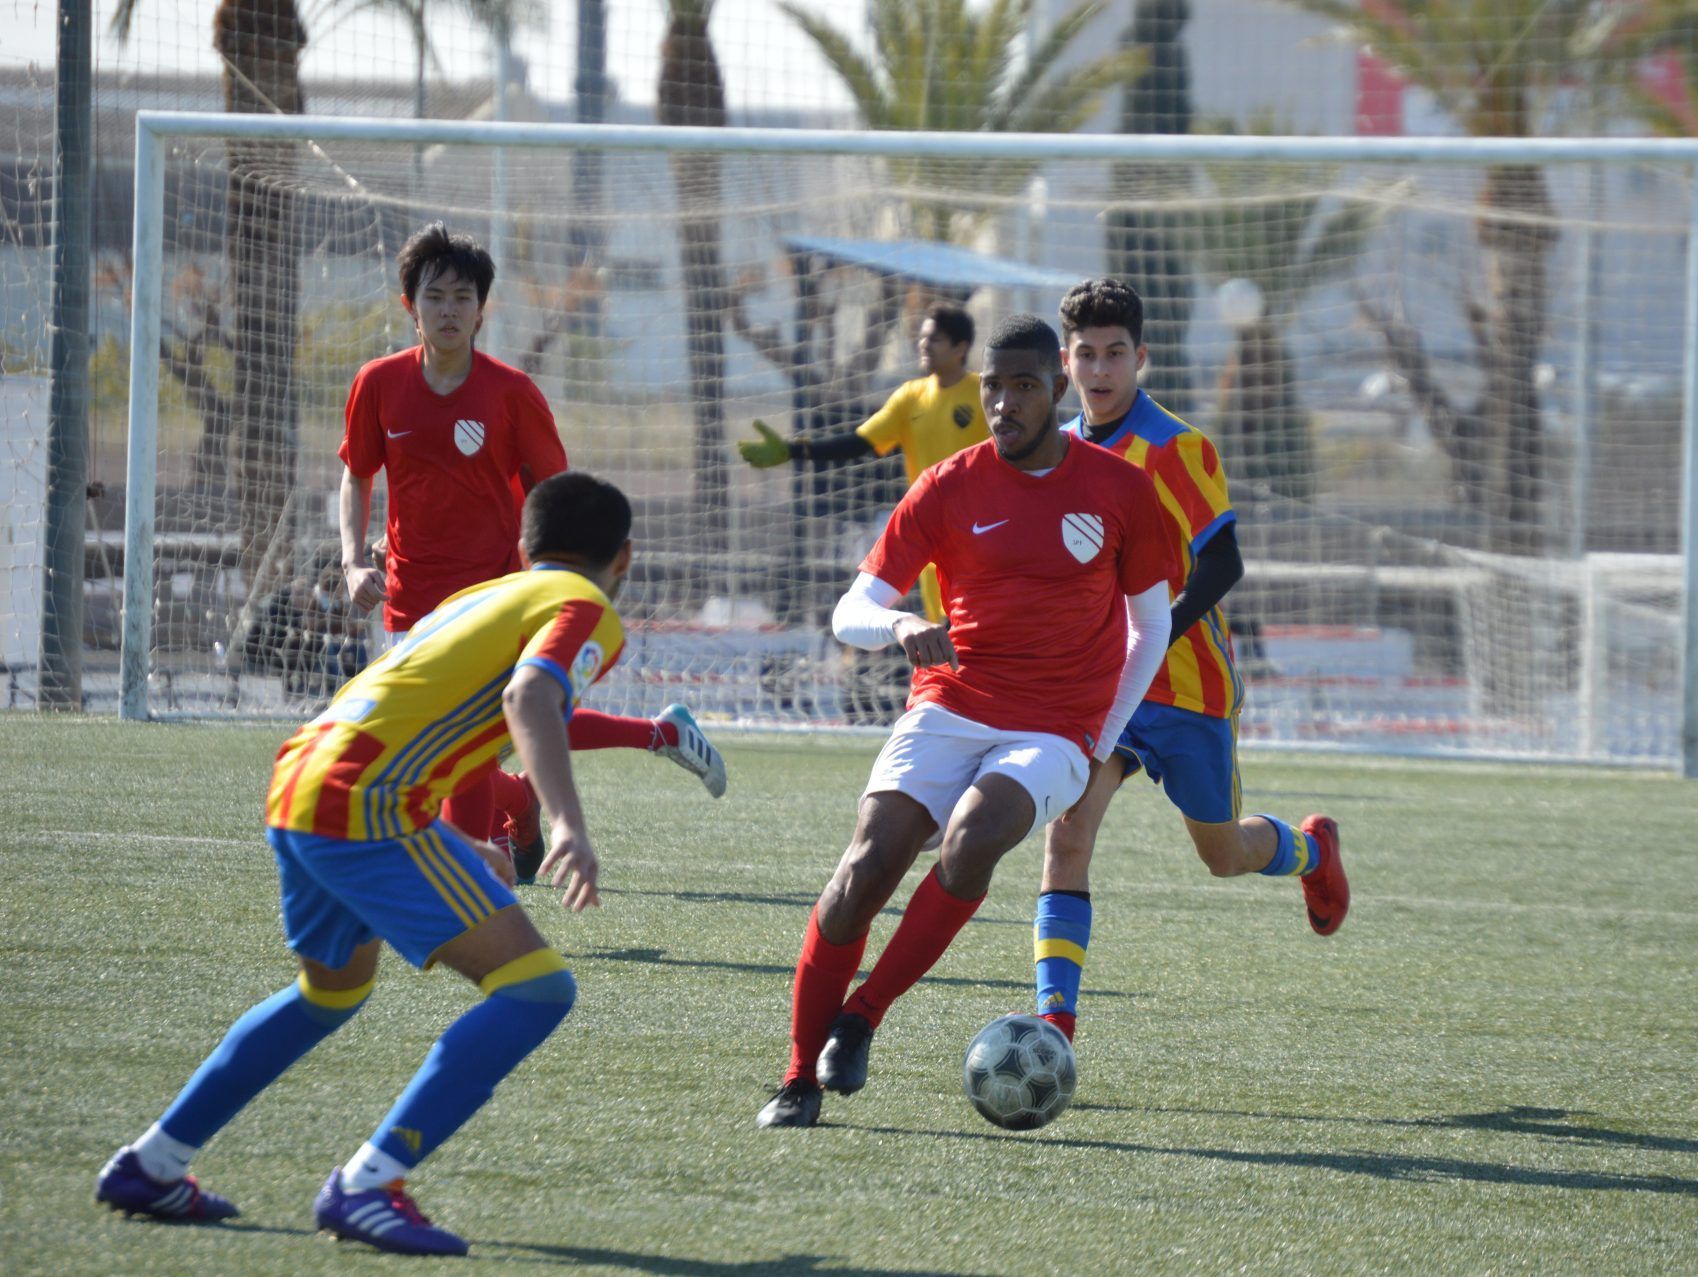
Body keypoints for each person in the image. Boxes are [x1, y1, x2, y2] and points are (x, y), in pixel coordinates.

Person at [95, 472, 636, 1255]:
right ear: (625, 557)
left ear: (523, 547)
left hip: (303, 777)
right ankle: (367, 1184)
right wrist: (566, 824)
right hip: (365, 802)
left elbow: (421, 706)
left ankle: (152, 1162)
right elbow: (530, 698)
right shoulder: (587, 608)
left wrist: (454, 842)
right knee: (536, 989)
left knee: (330, 991)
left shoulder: (478, 597)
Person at [756, 314, 1177, 1129]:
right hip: (949, 702)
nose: (1006, 404)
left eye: (1024, 386)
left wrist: (1099, 740)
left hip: (1056, 727)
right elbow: (853, 610)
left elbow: (1149, 625)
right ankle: (798, 1077)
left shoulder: (1120, 489)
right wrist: (901, 627)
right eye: (994, 387)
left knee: (974, 836)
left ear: (1057, 387)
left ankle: (863, 1013)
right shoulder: (949, 483)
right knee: (861, 874)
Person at [338, 223, 724, 884]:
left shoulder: (511, 393)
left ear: (482, 309)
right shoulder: (377, 384)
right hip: (410, 594)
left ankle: (471, 890)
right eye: (437, 296)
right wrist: (352, 560)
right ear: (411, 307)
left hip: (498, 591)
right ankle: (628, 750)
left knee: (493, 727)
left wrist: (550, 581)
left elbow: (554, 495)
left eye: (464, 297)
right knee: (463, 741)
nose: (450, 309)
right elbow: (357, 472)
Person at [1029, 278, 1349, 1044]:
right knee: (1068, 836)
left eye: (1115, 354)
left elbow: (1225, 563)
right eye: (1085, 356)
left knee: (1223, 855)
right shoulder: (1060, 453)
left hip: (1187, 686)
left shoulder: (1177, 447)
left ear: (1140, 358)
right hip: (1106, 692)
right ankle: (1054, 1027)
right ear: (1065, 365)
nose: (1100, 370)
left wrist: (1153, 636)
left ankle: (1310, 849)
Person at [737, 302, 983, 620]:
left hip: (979, 529)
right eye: (921, 337)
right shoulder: (911, 396)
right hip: (930, 533)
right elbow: (859, 442)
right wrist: (792, 450)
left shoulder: (983, 393)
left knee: (977, 623)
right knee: (942, 625)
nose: (923, 344)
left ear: (960, 347)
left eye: (934, 338)